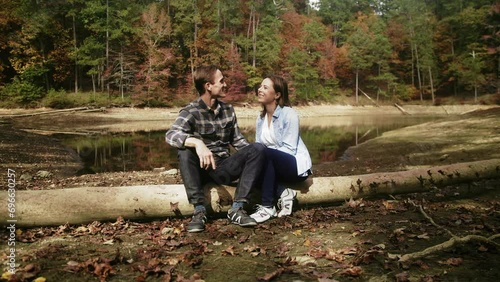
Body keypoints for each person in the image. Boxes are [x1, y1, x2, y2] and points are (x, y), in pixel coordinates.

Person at [165, 65, 266, 232]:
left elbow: (238, 140)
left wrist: (257, 157)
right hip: (200, 170)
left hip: (222, 168)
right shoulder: (190, 111)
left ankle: (237, 208)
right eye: (222, 81)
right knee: (184, 150)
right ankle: (199, 210)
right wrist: (197, 143)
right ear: (208, 86)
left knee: (258, 149)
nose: (226, 84)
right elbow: (171, 135)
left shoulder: (228, 110)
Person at [250, 75, 312, 223]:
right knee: (252, 163)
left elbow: (289, 149)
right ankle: (284, 193)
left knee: (265, 155)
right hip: (272, 165)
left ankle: (267, 207)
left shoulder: (288, 114)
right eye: (260, 86)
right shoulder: (260, 119)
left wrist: (264, 156)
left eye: (265, 87)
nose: (260, 89)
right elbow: (259, 146)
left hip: (295, 166)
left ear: (277, 95)